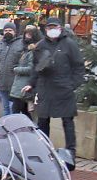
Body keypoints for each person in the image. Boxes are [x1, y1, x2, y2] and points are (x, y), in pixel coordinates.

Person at [24, 17, 85, 156]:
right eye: (49, 28)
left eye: (55, 27)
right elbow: (35, 67)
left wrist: (72, 84)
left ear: (60, 28)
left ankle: (71, 151)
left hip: (64, 88)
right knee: (43, 120)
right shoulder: (40, 45)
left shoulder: (69, 44)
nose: (52, 30)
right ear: (45, 30)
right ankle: (44, 149)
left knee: (67, 120)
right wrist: (30, 84)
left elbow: (78, 66)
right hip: (45, 88)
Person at [0, 22, 24, 116]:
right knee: (5, 107)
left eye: (10, 30)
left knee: (13, 108)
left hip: (15, 82)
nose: (8, 32)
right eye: (6, 30)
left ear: (15, 32)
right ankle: (6, 128)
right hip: (1, 81)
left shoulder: (21, 44)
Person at [9, 27, 40, 119]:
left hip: (24, 85)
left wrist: (16, 69)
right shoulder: (25, 50)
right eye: (26, 34)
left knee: (17, 110)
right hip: (20, 85)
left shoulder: (33, 51)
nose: (27, 37)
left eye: (30, 35)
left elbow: (32, 69)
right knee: (22, 110)